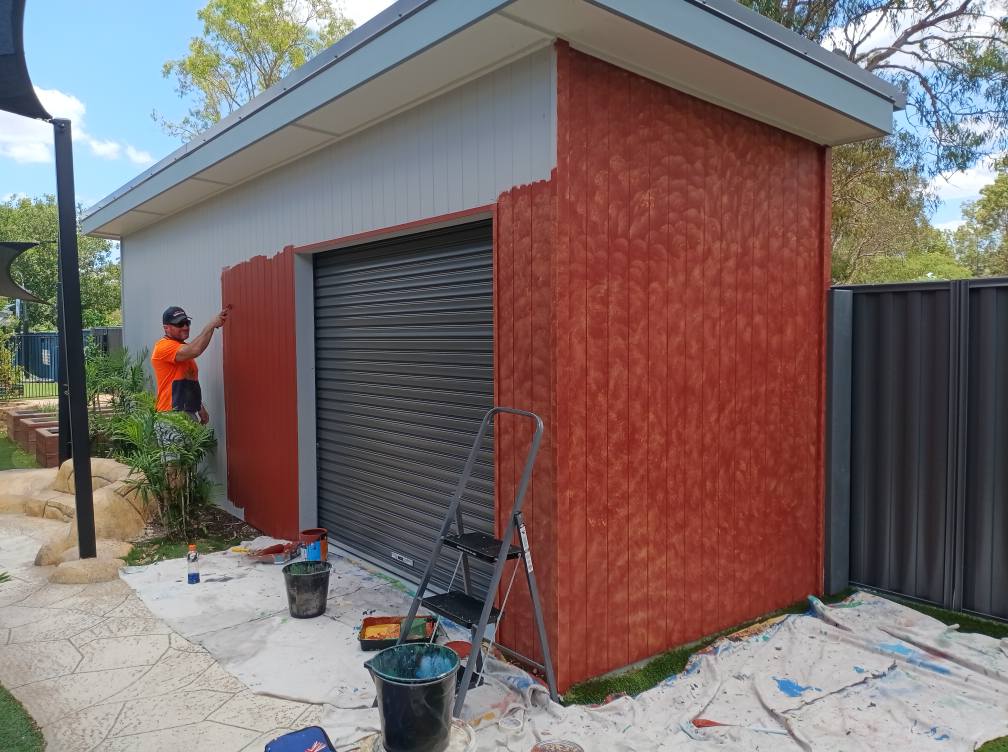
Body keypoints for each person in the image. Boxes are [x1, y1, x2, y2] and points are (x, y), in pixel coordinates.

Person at [151, 305, 228, 424]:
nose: (185, 327)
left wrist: (199, 407)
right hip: (171, 415)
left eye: (187, 322)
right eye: (180, 324)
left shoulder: (183, 351)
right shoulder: (163, 347)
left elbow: (187, 384)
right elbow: (196, 349)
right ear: (166, 328)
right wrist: (211, 325)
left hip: (185, 413)